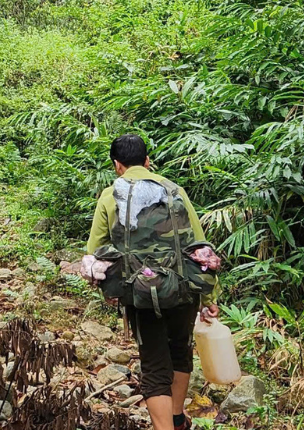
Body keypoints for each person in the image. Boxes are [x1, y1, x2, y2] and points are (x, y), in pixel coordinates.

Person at [85, 134, 219, 430]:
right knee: (180, 351)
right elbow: (200, 247)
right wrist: (210, 299)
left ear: (117, 165)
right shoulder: (174, 190)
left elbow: (94, 251)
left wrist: (106, 287)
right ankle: (176, 418)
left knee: (155, 364)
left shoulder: (110, 195)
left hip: (140, 292)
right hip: (182, 287)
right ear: (147, 161)